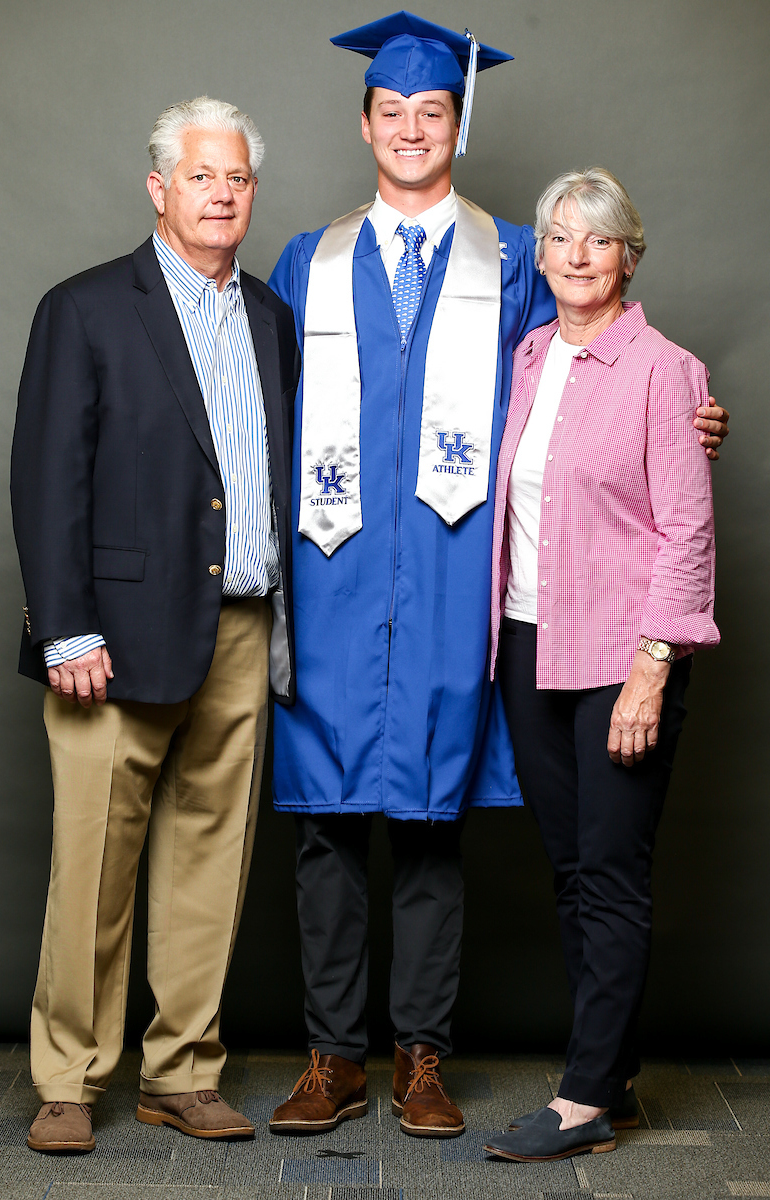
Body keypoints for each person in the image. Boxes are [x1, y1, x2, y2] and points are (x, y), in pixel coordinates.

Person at [265, 15, 728, 1140]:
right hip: (331, 582)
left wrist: (688, 414)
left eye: (432, 111)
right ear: (363, 124)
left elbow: (583, 369)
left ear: (458, 123)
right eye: (391, 112)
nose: (411, 129)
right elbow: (261, 402)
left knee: (431, 819)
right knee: (327, 819)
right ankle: (331, 1058)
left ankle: (421, 1055)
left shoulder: (517, 258)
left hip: (450, 583)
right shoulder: (305, 260)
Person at [10, 96, 298, 1154]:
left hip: (241, 628)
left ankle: (182, 1071)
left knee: (211, 861)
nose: (221, 194)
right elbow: (47, 475)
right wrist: (66, 629)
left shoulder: (269, 315)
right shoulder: (85, 307)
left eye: (237, 177)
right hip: (113, 638)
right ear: (158, 189)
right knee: (93, 861)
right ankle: (69, 1079)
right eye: (200, 176)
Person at [483, 168, 719, 1163]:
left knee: (613, 874)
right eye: (559, 238)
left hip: (624, 651)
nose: (576, 255)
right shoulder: (530, 354)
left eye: (598, 238)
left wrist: (652, 668)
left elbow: (687, 532)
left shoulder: (665, 370)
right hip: (529, 643)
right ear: (539, 255)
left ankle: (581, 1102)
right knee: (574, 872)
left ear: (628, 255)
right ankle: (610, 1075)